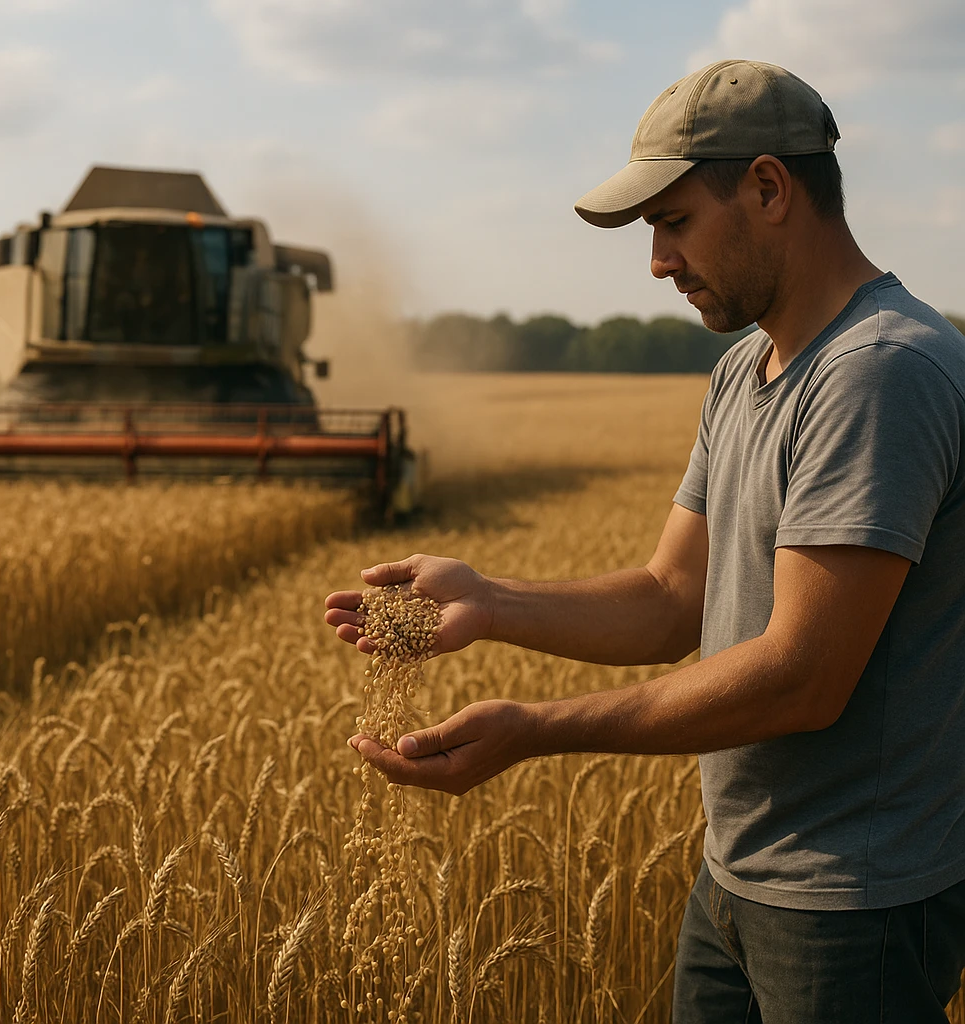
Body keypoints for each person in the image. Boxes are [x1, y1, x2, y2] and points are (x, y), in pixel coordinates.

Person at [324, 60, 965, 1023]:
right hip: (737, 878)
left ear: (767, 187)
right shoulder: (747, 368)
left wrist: (538, 732)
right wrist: (491, 602)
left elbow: (803, 675)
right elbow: (673, 597)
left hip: (852, 903)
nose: (658, 262)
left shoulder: (879, 374)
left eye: (671, 222)